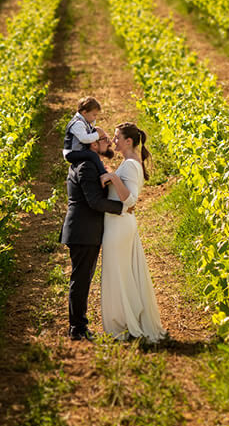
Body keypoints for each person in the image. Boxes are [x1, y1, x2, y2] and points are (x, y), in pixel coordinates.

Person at [60, 128, 135, 341]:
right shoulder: (85, 167)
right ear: (93, 144)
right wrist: (122, 208)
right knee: (81, 279)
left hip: (85, 231)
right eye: (104, 139)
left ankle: (79, 325)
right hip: (82, 231)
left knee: (83, 277)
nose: (108, 143)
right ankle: (77, 328)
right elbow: (94, 201)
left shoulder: (88, 164)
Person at [99, 122, 165, 342]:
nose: (114, 141)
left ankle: (125, 324)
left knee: (118, 273)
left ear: (129, 141)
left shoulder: (130, 165)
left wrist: (113, 178)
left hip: (119, 224)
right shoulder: (130, 163)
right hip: (121, 223)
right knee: (122, 272)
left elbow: (131, 200)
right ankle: (128, 321)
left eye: (117, 137)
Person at [63, 96, 121, 188]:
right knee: (92, 155)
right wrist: (98, 134)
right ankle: (103, 174)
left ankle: (101, 171)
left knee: (93, 156)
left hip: (76, 151)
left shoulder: (84, 121)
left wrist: (93, 122)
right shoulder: (77, 123)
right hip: (71, 153)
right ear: (84, 112)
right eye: (94, 115)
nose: (95, 117)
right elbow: (84, 139)